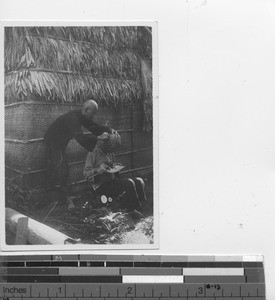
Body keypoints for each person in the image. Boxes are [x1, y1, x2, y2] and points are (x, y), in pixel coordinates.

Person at [44, 100, 115, 210]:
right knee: (63, 170)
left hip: (60, 144)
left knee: (57, 169)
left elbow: (93, 127)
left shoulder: (81, 116)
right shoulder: (73, 118)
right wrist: (98, 137)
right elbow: (80, 137)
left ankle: (55, 199)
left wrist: (109, 129)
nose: (93, 116)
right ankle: (66, 201)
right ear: (86, 110)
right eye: (93, 113)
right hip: (53, 143)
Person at [83, 133, 147, 214]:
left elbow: (112, 167)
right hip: (101, 185)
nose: (113, 151)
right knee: (129, 183)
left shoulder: (110, 152)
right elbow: (85, 175)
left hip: (111, 182)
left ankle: (143, 204)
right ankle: (135, 209)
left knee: (139, 181)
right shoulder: (93, 153)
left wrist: (116, 168)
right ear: (107, 145)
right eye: (113, 148)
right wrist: (97, 170)